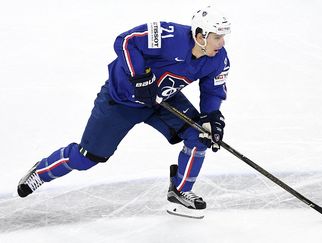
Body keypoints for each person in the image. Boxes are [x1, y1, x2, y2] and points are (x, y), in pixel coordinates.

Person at [17, 6, 231, 217]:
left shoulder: (218, 58)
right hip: (121, 102)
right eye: (217, 37)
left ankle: (181, 189)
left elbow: (212, 90)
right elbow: (126, 41)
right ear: (200, 35)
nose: (222, 43)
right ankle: (41, 172)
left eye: (223, 37)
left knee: (200, 135)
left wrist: (211, 116)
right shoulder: (169, 35)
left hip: (162, 100)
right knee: (86, 158)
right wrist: (140, 77)